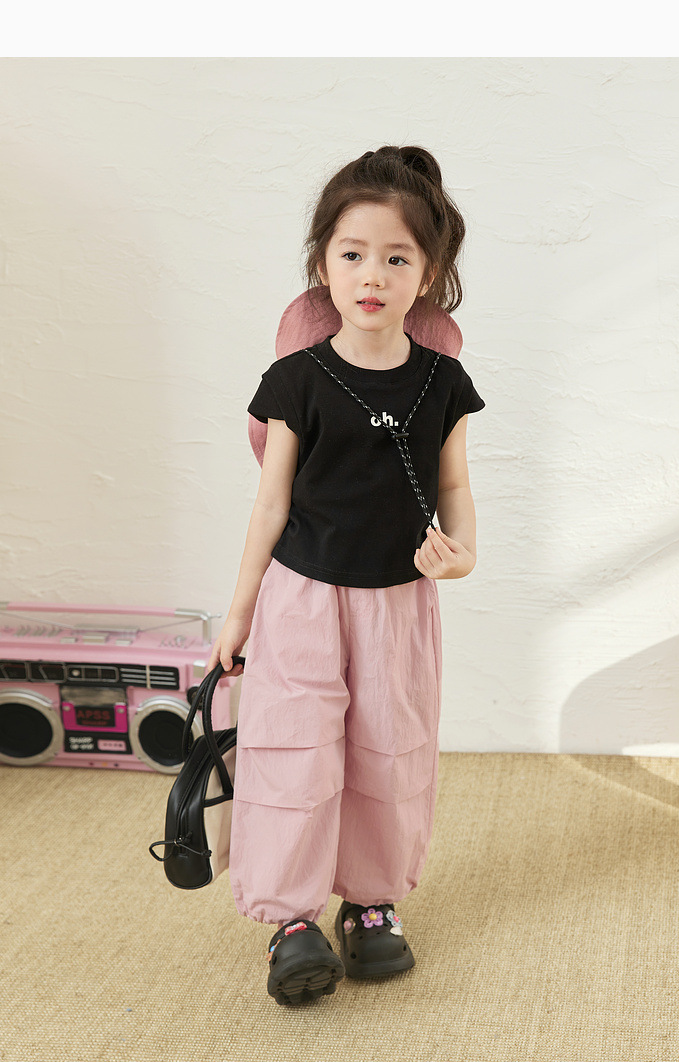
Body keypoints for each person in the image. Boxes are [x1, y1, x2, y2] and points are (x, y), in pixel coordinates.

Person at [208, 145, 484, 1006]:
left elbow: (455, 486)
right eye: (353, 253)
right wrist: (238, 614)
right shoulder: (296, 380)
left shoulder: (444, 381)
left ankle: (370, 903)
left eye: (397, 258)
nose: (373, 275)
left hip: (399, 604)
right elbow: (269, 505)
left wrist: (464, 552)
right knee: (292, 752)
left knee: (389, 753)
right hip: (301, 599)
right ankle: (291, 920)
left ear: (427, 275)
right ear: (322, 264)